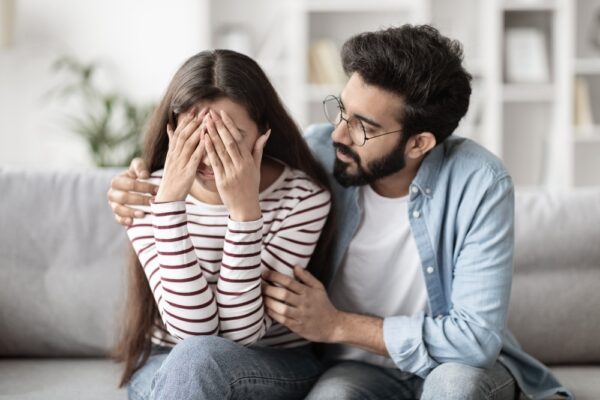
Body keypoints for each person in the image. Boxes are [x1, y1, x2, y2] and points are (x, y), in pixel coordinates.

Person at [109, 26, 572, 400]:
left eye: (364, 127)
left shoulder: (481, 184)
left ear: (419, 143)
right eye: (341, 111)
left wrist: (337, 324)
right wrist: (142, 185)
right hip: (350, 368)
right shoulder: (315, 153)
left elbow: (473, 341)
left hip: (452, 364)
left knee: (455, 387)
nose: (339, 135)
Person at [111, 49, 335, 400]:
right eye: (195, 134)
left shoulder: (302, 198)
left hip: (274, 359)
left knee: (197, 361)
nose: (209, 152)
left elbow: (242, 334)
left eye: (229, 136)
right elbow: (192, 333)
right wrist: (169, 203)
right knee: (192, 360)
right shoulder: (142, 195)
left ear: (263, 132)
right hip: (168, 358)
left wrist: (245, 212)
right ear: (173, 131)